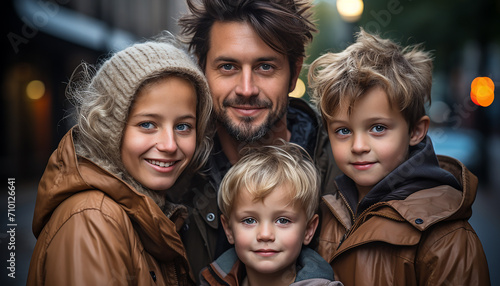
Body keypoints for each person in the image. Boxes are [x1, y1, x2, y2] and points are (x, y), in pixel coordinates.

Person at [172, 0, 342, 278]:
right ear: (203, 71)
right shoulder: (173, 176)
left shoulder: (348, 174)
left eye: (265, 67)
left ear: (293, 72)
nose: (246, 89)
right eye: (228, 66)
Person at [307, 28, 491, 285]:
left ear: (415, 131)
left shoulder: (445, 237)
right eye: (343, 130)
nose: (358, 146)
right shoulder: (323, 213)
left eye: (378, 128)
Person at [27, 34, 213, 285]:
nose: (169, 145)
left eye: (183, 126)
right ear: (109, 127)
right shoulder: (93, 220)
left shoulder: (152, 206)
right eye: (147, 124)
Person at [200, 142, 343, 286]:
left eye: (283, 220)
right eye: (249, 220)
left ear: (308, 230)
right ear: (229, 229)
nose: (265, 235)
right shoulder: (212, 281)